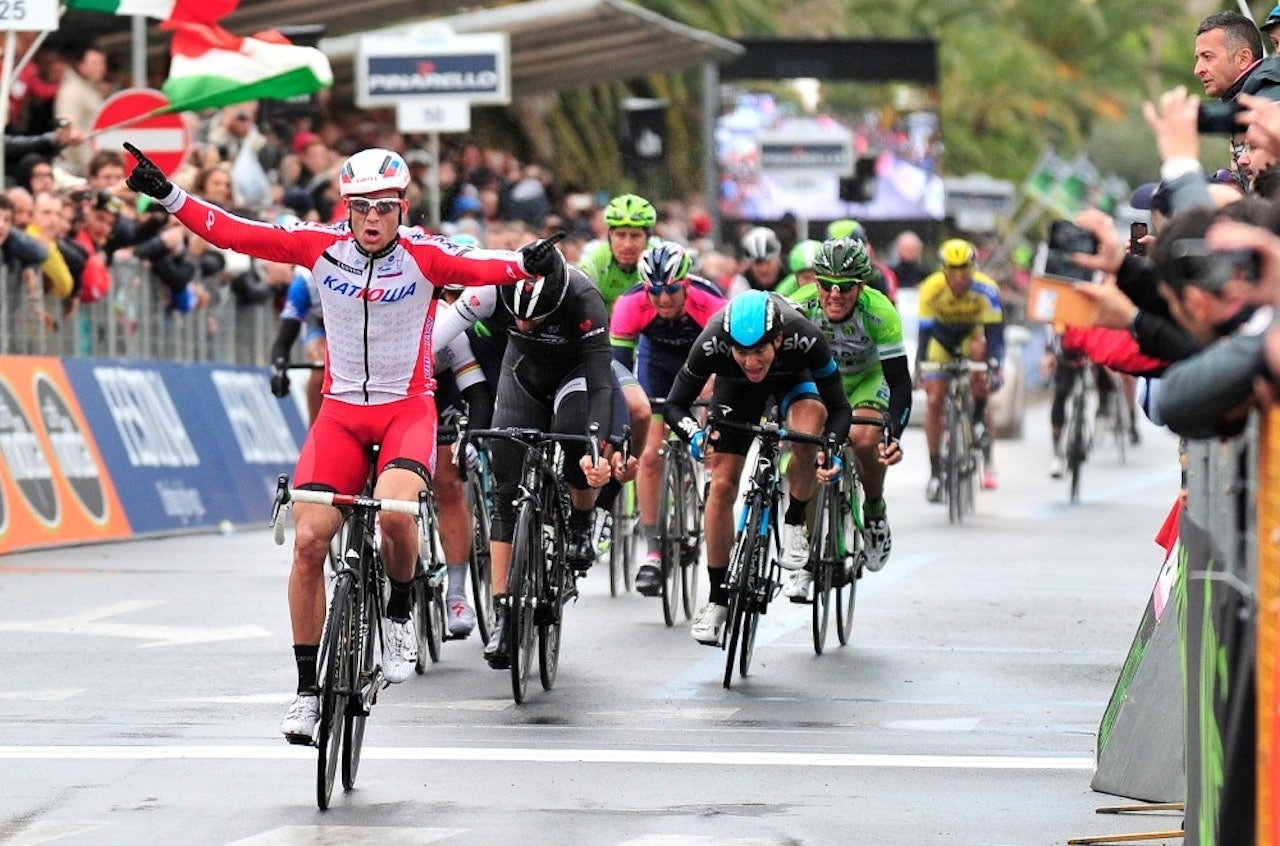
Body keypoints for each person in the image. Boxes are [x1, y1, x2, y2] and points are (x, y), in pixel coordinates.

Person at [122, 142, 562, 742]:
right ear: (346, 209)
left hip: (405, 410)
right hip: (340, 416)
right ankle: (307, 692)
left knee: (399, 520)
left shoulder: (426, 256)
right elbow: (237, 235)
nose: (372, 218)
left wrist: (528, 261)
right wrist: (169, 194)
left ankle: (402, 613)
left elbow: (486, 264)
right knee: (307, 544)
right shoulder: (319, 246)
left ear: (402, 209)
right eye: (361, 207)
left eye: (384, 207)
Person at [663, 290, 852, 645]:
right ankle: (718, 599)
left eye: (759, 350)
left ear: (778, 339)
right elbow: (676, 406)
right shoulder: (713, 341)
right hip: (735, 391)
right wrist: (695, 436)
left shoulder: (803, 336)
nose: (751, 361)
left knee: (807, 434)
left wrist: (833, 448)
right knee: (720, 486)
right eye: (742, 351)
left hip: (794, 380)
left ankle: (795, 521)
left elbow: (840, 408)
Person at [783, 237, 909, 599]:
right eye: (826, 285)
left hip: (866, 379)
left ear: (862, 286)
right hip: (821, 380)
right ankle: (803, 553)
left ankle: (873, 511)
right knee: (803, 442)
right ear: (815, 282)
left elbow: (900, 383)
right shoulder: (801, 305)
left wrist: (894, 434)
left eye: (846, 287)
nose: (834, 295)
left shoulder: (880, 312)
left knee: (865, 438)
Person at [609, 239, 725, 595]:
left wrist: (712, 392)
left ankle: (704, 472)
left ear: (686, 284)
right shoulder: (630, 305)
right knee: (650, 454)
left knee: (712, 421)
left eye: (671, 290)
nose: (662, 299)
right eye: (654, 291)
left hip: (702, 363)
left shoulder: (712, 303)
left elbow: (731, 365)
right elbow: (618, 369)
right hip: (656, 366)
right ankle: (654, 550)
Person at [917, 238, 1005, 500]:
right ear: (943, 270)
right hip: (941, 339)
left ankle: (977, 418)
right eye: (952, 271)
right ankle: (935, 472)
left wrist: (994, 366)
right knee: (934, 399)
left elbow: (995, 335)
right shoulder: (931, 288)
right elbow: (924, 333)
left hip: (972, 335)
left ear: (974, 268)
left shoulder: (986, 289)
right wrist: (921, 365)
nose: (958, 277)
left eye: (964, 270)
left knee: (981, 354)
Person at [1193, 12, 1280, 103]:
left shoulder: (1269, 106)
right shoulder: (1244, 104)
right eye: (1198, 59)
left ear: (1243, 59)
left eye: (1207, 57)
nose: (1197, 70)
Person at [728, 225, 784, 295]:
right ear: (750, 265)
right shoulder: (742, 282)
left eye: (768, 262)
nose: (764, 269)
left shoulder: (790, 276)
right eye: (758, 264)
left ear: (778, 259)